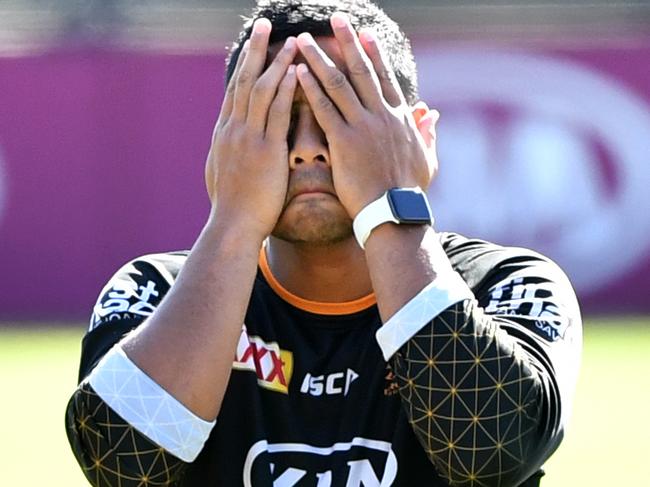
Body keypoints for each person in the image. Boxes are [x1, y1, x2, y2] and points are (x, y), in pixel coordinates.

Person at [65, 1, 582, 486]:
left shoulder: (508, 284)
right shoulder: (155, 290)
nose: (307, 149)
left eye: (342, 113)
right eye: (278, 121)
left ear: (420, 137)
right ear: (229, 140)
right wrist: (234, 222)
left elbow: (492, 453)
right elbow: (123, 466)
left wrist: (389, 204)